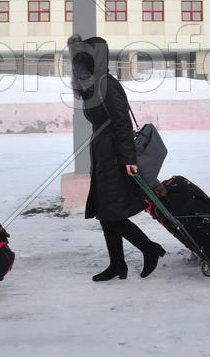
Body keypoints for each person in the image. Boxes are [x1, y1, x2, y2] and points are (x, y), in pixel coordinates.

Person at [68, 35, 166, 281]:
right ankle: (117, 265)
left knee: (111, 214)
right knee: (106, 213)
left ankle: (149, 249)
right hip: (103, 153)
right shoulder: (93, 86)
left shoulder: (107, 85)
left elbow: (122, 123)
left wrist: (129, 158)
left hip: (114, 155)